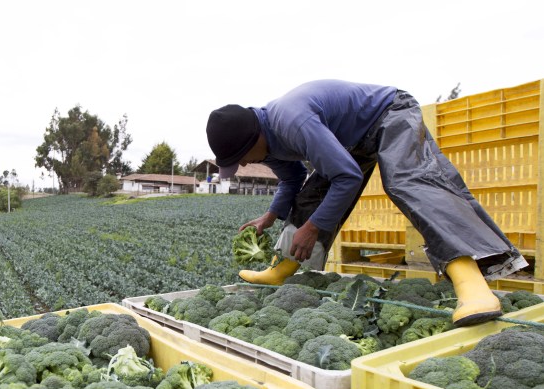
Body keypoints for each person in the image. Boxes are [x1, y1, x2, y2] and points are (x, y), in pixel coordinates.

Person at [206, 79, 527, 327]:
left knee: (410, 182)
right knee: (312, 194)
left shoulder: (293, 122)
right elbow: (292, 181)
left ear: (253, 140)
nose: (244, 166)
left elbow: (347, 177)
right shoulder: (269, 145)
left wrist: (314, 227)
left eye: (241, 159)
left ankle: (472, 285)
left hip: (391, 113)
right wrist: (271, 215)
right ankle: (281, 270)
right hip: (352, 139)